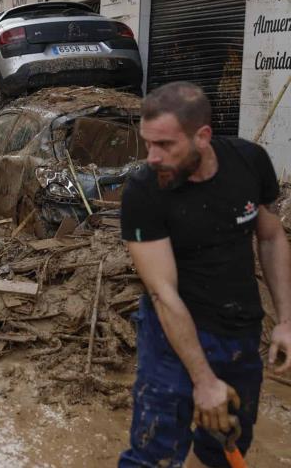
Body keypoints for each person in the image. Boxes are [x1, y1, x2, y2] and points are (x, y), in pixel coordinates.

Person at [119, 82, 291, 467]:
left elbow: (271, 237)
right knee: (155, 452)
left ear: (203, 137)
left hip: (239, 333)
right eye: (148, 144)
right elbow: (163, 293)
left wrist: (285, 321)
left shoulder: (249, 162)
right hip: (170, 337)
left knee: (226, 446)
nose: (152, 157)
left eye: (165, 145)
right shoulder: (144, 192)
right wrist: (203, 379)